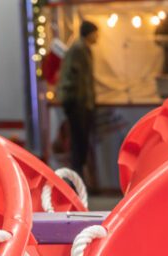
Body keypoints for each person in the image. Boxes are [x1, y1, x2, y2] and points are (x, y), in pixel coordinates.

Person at [57, 20, 99, 181]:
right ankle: (77, 179)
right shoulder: (79, 50)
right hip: (78, 104)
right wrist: (75, 101)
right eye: (95, 33)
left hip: (81, 103)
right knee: (78, 142)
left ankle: (78, 178)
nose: (97, 37)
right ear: (89, 33)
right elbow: (74, 78)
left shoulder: (83, 49)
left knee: (80, 143)